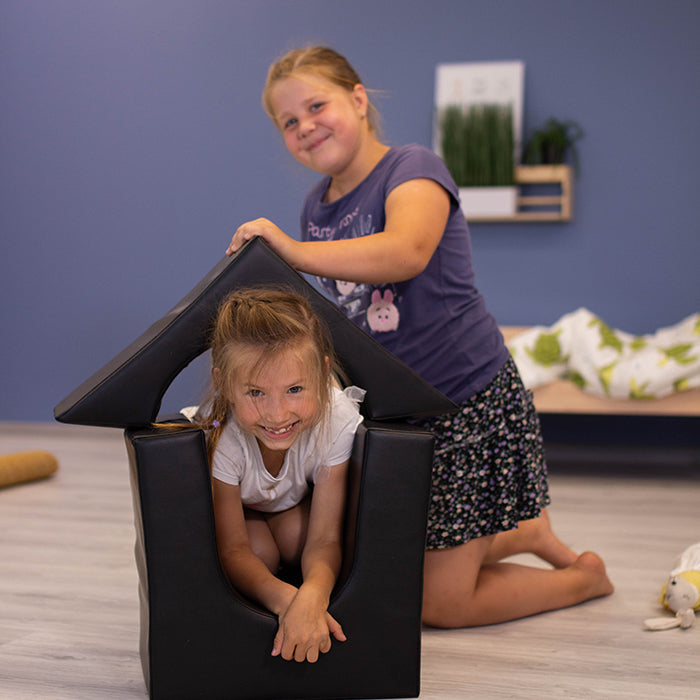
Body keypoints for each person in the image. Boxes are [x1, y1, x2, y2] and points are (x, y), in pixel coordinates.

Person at [226, 46, 614, 628]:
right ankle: (512, 531)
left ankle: (582, 580)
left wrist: (294, 252)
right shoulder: (317, 208)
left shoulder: (413, 167)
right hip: (403, 414)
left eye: (316, 105)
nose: (305, 127)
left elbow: (406, 251)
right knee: (382, 560)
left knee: (439, 604)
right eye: (289, 122)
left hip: (465, 399)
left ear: (358, 100)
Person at [197, 288, 364, 662]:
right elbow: (233, 549)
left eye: (294, 389)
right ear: (225, 384)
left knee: (295, 540)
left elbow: (324, 537)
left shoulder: (337, 420)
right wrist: (287, 600)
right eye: (256, 392)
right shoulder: (224, 435)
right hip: (245, 516)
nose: (276, 414)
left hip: (293, 507)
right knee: (259, 552)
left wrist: (313, 596)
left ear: (322, 373)